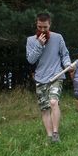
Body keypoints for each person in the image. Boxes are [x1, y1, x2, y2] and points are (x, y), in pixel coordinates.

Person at [26, 12, 71, 142]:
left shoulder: (58, 38)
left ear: (49, 25)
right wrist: (39, 45)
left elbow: (65, 54)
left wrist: (67, 64)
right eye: (40, 27)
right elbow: (31, 60)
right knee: (45, 109)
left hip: (57, 74)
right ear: (37, 24)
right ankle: (50, 135)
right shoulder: (30, 40)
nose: (42, 30)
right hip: (40, 77)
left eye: (45, 27)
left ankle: (56, 133)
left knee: (53, 102)